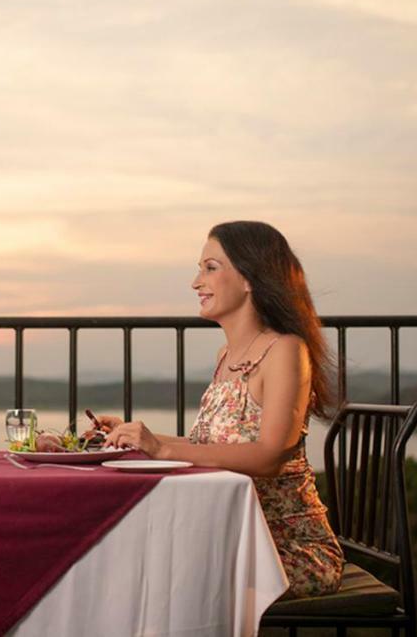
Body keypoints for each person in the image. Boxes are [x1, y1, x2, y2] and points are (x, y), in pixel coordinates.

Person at [104, 220, 343, 599]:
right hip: (234, 538)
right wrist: (137, 438)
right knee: (126, 562)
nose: (196, 282)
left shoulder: (285, 349)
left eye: (210, 268)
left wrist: (162, 448)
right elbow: (212, 446)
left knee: (154, 577)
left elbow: (268, 457)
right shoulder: (225, 357)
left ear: (250, 278)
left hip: (286, 550)